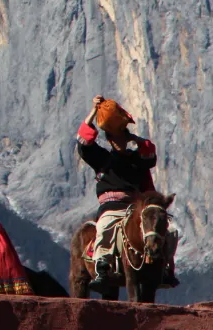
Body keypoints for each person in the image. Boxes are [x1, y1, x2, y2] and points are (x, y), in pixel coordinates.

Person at [77, 95, 180, 291]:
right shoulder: (102, 158)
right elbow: (83, 142)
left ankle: (165, 267)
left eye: (123, 136)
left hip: (135, 208)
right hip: (111, 208)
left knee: (171, 230)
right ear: (108, 139)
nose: (120, 141)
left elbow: (150, 153)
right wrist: (93, 111)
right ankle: (102, 268)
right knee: (105, 226)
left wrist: (135, 139)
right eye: (115, 137)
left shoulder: (136, 159)